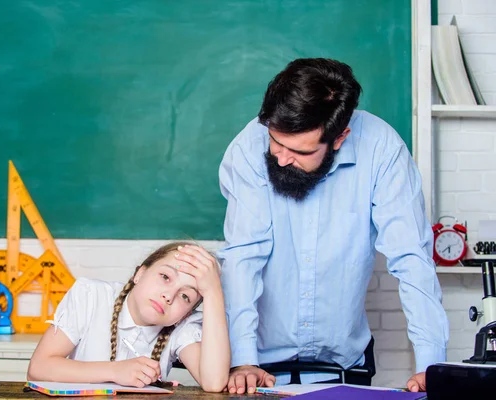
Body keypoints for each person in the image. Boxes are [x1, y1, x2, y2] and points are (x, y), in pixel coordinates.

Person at [218, 58, 449, 394]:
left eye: (297, 150)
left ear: (339, 138)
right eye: (275, 141)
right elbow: (243, 257)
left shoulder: (382, 150)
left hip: (344, 368)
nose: (280, 158)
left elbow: (411, 258)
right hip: (256, 368)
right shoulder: (248, 148)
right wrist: (242, 358)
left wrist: (432, 367)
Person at [27, 242, 230, 392]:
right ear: (140, 273)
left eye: (185, 296)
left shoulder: (182, 327)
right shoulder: (91, 296)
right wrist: (115, 371)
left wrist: (213, 292)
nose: (169, 296)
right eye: (165, 277)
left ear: (185, 314)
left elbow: (213, 382)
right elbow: (38, 368)